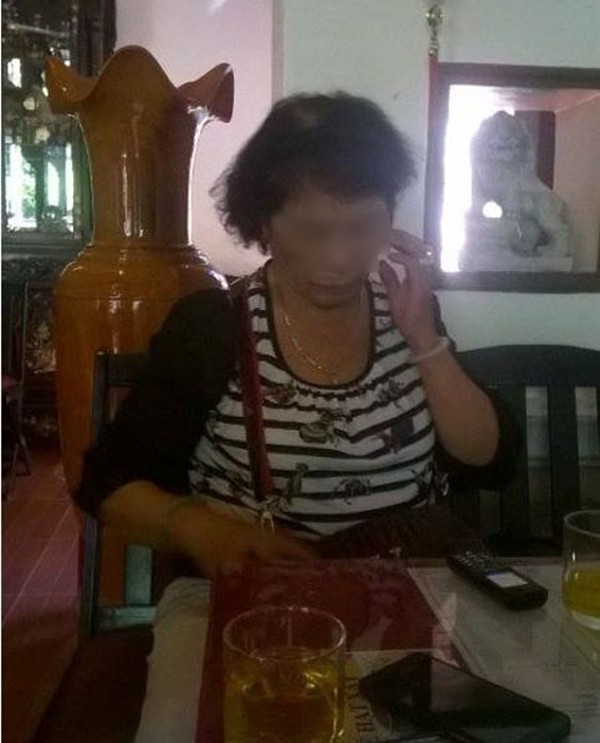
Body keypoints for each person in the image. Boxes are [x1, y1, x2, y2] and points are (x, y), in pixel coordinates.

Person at [76, 93, 519, 742]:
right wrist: (200, 528)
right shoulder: (213, 328)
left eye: (363, 227)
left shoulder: (407, 307)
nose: (339, 258)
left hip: (405, 586)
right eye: (313, 231)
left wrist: (424, 339)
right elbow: (106, 483)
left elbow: (487, 460)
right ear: (264, 222)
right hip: (246, 597)